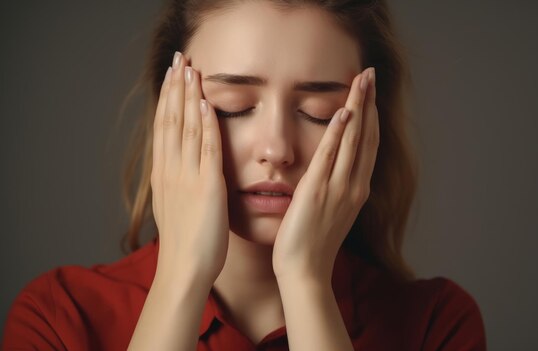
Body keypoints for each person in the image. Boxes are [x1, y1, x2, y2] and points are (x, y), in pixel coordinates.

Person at [2, 0, 486, 350]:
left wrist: (305, 282)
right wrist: (182, 279)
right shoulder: (59, 318)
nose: (276, 148)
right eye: (234, 107)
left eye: (319, 111)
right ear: (169, 110)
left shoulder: (436, 326)